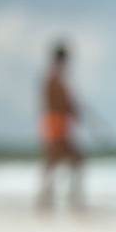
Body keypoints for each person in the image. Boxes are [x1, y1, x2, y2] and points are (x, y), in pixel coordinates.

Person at [37, 41, 84, 214]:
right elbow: (55, 102)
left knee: (56, 162)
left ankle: (49, 198)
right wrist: (71, 108)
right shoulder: (54, 78)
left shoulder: (58, 78)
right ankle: (57, 198)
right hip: (56, 123)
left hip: (57, 123)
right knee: (62, 161)